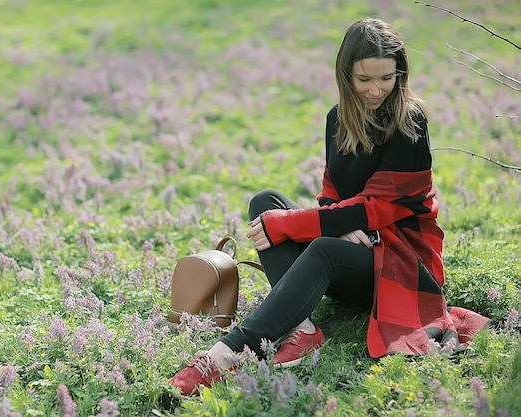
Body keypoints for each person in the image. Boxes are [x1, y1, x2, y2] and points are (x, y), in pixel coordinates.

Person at [169, 17, 489, 397]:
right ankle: (302, 330)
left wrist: (316, 225)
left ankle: (224, 355)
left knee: (310, 241)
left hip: (401, 262)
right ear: (346, 74)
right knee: (264, 203)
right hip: (357, 251)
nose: (376, 90)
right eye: (364, 79)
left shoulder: (409, 123)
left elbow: (381, 208)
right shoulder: (338, 119)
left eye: (386, 78)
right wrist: (338, 222)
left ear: (399, 73)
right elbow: (332, 193)